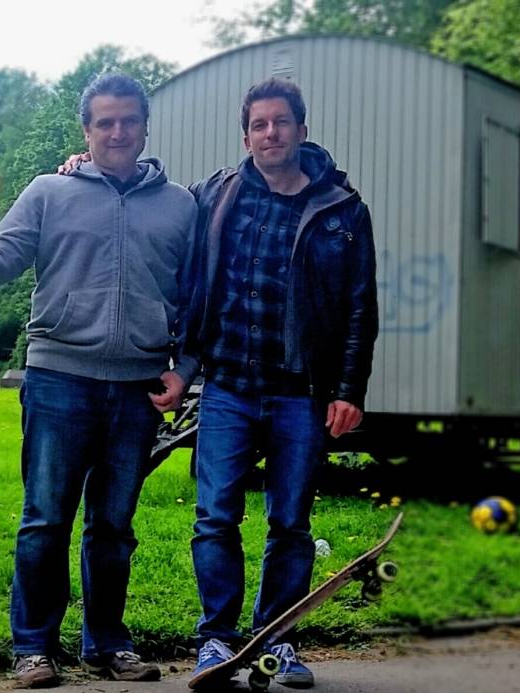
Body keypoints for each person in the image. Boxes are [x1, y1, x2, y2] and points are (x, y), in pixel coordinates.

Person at [0, 73, 196, 687]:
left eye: (128, 120)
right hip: (58, 379)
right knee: (45, 519)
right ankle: (34, 647)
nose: (116, 132)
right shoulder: (49, 191)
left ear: (144, 126)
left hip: (138, 389)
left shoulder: (181, 205)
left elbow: (196, 299)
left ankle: (107, 643)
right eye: (104, 122)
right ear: (86, 129)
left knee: (113, 527)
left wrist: (185, 368)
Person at [181, 79, 378, 689]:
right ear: (246, 135)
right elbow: (146, 195)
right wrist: (80, 164)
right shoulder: (217, 195)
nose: (271, 133)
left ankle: (277, 640)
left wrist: (349, 389)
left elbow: (359, 308)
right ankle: (216, 639)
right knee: (215, 516)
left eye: (282, 122)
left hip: (302, 393)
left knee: (290, 522)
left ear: (301, 129)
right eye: (260, 124)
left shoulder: (343, 210)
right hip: (228, 388)